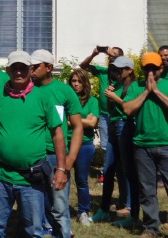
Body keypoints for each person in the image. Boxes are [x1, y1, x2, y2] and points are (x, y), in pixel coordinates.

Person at [0, 51, 68, 238]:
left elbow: (57, 133)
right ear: (8, 70)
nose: (18, 72)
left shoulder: (43, 97)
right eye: (14, 68)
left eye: (23, 68)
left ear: (30, 69)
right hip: (1, 174)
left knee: (33, 231)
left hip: (31, 178)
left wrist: (61, 168)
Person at [30, 49, 82, 238]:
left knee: (59, 207)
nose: (31, 70)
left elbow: (77, 127)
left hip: (56, 158)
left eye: (35, 66)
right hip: (32, 157)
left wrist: (68, 161)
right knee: (33, 207)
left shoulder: (64, 91)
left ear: (49, 67)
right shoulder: (26, 89)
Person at [122, 52, 168, 238]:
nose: (151, 72)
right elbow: (127, 109)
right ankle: (151, 228)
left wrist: (157, 92)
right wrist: (146, 92)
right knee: (147, 189)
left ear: (161, 68)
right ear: (142, 69)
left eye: (154, 67)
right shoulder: (136, 86)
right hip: (142, 145)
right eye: (147, 68)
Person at [92, 55, 137, 226]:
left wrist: (113, 97)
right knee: (108, 169)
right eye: (114, 69)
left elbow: (128, 108)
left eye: (119, 69)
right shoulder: (117, 84)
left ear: (129, 70)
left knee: (128, 170)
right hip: (113, 125)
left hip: (125, 127)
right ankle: (104, 210)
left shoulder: (134, 85)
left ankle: (132, 212)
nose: (116, 72)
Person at [80, 46, 123, 186]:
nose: (111, 56)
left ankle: (120, 171)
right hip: (105, 114)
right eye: (110, 55)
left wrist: (113, 55)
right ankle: (106, 172)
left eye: (115, 55)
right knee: (105, 144)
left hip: (119, 114)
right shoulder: (103, 72)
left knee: (121, 145)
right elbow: (83, 66)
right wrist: (94, 54)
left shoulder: (123, 74)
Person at [67, 69, 99, 226]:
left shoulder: (93, 101)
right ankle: (60, 211)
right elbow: (60, 119)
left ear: (85, 83)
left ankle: (83, 212)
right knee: (62, 177)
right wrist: (83, 120)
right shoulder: (65, 98)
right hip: (65, 142)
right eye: (73, 81)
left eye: (79, 81)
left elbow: (93, 123)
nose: (76, 84)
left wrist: (71, 119)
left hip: (85, 144)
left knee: (82, 180)